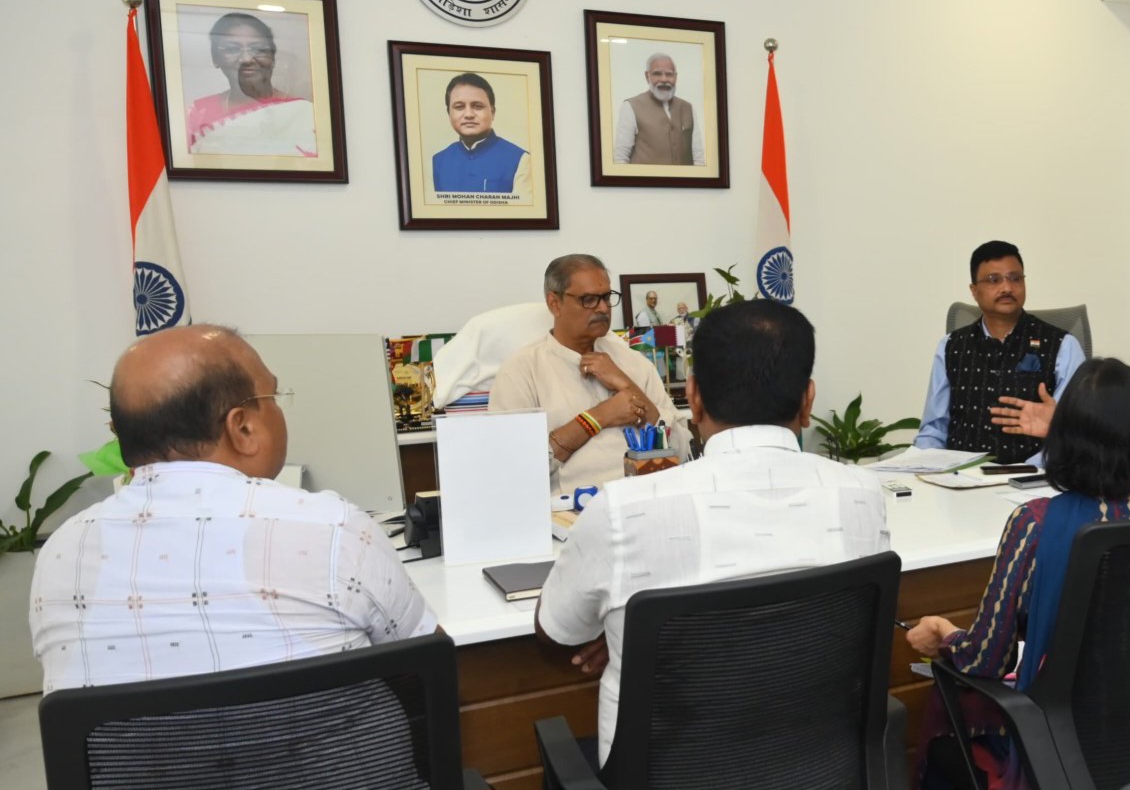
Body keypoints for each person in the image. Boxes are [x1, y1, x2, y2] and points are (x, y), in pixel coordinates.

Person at [534, 299, 888, 766]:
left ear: (694, 398)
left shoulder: (622, 509)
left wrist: (624, 626)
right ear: (808, 400)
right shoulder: (862, 495)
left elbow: (556, 632)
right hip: (822, 772)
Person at [30, 325, 435, 693]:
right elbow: (426, 663)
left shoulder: (61, 552)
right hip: (328, 755)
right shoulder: (332, 527)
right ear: (242, 427)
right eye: (272, 397)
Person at [906, 358, 1130, 789]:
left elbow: (986, 658)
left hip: (1065, 750)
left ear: (1063, 439)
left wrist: (945, 633)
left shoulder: (1037, 523)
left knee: (947, 699)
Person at [489, 254, 689, 497]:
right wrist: (598, 417)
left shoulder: (633, 363)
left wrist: (626, 384)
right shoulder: (521, 371)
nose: (603, 308)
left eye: (606, 297)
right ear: (555, 303)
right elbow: (513, 470)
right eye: (589, 300)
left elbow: (682, 452)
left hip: (647, 501)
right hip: (570, 513)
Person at [915, 240, 1085, 464]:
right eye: (993, 280)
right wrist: (921, 466)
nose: (1007, 288)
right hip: (960, 476)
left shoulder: (1064, 345)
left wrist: (1028, 467)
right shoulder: (950, 346)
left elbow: (1076, 433)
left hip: (1034, 477)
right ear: (974, 291)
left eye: (1015, 278)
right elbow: (934, 430)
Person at [185, 13, 318, 157]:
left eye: (258, 50)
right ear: (215, 58)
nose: (247, 59)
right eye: (232, 49)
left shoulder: (304, 113)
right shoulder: (198, 113)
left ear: (272, 58)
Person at [431, 72, 530, 195]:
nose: (468, 114)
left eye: (477, 106)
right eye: (459, 107)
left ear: (492, 112)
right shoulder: (436, 162)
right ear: (449, 113)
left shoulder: (521, 160)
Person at [612, 52, 706, 166]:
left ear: (676, 77)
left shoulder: (688, 108)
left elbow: (698, 158)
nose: (664, 79)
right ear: (647, 76)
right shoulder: (630, 106)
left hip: (685, 178)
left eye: (669, 74)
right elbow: (620, 158)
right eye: (657, 74)